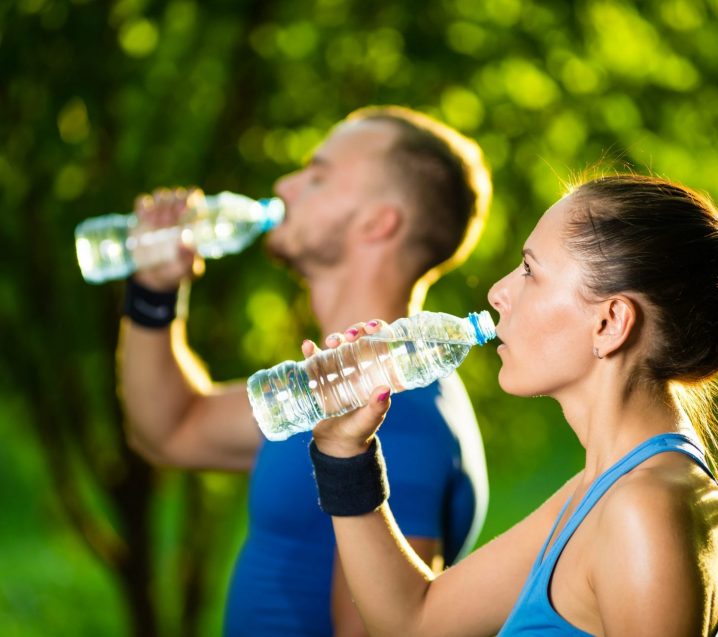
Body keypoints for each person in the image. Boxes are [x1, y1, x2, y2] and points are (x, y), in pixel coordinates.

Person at [308, 173, 718, 636]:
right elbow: (414, 621)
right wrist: (345, 451)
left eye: (530, 271)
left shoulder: (643, 508)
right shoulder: (603, 489)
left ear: (610, 323)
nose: (497, 292)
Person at [117, 105, 493, 636]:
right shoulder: (329, 391)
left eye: (317, 177)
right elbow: (169, 431)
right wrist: (154, 293)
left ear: (378, 222)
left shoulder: (392, 410)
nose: (285, 186)